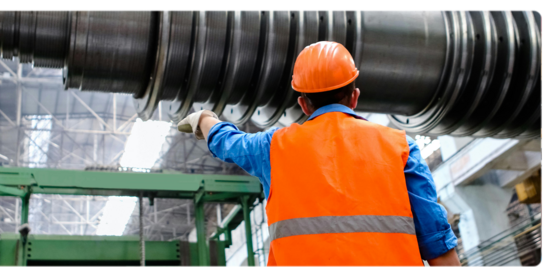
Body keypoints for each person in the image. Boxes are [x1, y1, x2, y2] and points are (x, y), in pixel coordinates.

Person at [178, 41, 461, 269]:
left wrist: (205, 119)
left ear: (303, 103)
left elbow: (227, 142)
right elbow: (437, 242)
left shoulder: (272, 147)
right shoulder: (399, 145)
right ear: (355, 96)